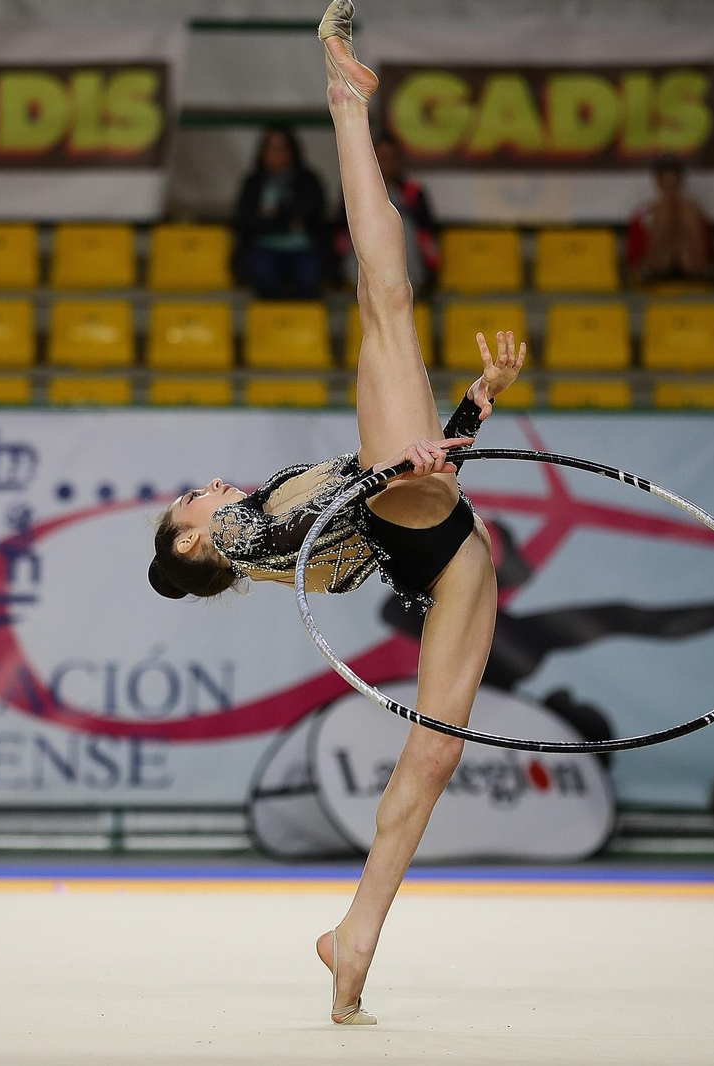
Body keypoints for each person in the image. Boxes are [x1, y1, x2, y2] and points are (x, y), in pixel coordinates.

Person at [148, 1, 526, 1026]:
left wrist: (467, 411)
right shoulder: (235, 539)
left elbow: (416, 471)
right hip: (409, 512)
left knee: (436, 751)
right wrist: (396, 466)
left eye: (200, 495)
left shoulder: (253, 530)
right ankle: (343, 104)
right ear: (189, 537)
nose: (209, 490)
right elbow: (300, 528)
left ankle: (352, 935)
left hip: (441, 541)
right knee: (386, 293)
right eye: (192, 501)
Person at [232, 123, 330, 299]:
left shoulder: (308, 180)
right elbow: (246, 219)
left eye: (282, 148)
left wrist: (270, 215)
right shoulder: (253, 182)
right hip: (262, 247)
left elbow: (312, 213)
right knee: (264, 274)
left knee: (310, 276)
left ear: (293, 150)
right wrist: (290, 220)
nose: (277, 154)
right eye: (272, 148)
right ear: (262, 152)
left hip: (303, 247)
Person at [333, 134, 440, 290]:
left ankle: (408, 283)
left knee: (405, 226)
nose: (386, 162)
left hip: (405, 256)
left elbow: (426, 230)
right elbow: (342, 228)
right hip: (364, 250)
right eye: (381, 157)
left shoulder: (413, 191)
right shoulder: (355, 189)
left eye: (391, 157)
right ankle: (359, 282)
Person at [626, 156, 714, 282]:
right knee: (665, 211)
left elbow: (709, 251)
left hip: (691, 264)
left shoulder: (693, 211)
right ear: (658, 182)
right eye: (666, 183)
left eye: (674, 183)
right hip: (656, 265)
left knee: (687, 209)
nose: (670, 187)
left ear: (680, 182)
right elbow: (634, 259)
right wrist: (666, 208)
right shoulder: (644, 214)